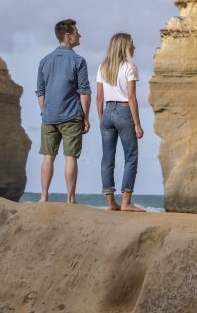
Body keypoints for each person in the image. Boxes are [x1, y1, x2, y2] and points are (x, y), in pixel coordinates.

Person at [36, 19, 91, 203]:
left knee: (48, 157)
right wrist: (86, 117)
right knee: (70, 158)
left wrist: (45, 111)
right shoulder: (78, 61)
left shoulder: (44, 61)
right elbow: (84, 92)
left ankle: (44, 197)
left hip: (49, 116)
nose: (79, 35)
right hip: (71, 116)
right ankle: (70, 198)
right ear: (68, 36)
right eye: (76, 32)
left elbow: (40, 92)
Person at [96, 32, 145, 211]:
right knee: (130, 157)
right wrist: (137, 124)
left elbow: (99, 97)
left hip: (107, 112)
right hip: (124, 111)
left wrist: (102, 119)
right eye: (132, 43)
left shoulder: (102, 67)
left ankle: (111, 203)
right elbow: (131, 97)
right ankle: (126, 202)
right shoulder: (130, 67)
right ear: (124, 46)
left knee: (107, 158)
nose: (134, 45)